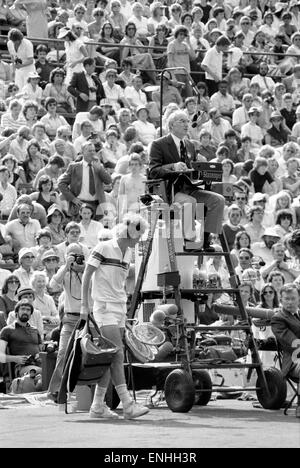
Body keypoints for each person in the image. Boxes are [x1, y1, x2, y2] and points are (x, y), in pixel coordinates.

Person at [81, 213, 150, 419]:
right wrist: (85, 305)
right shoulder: (103, 247)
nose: (140, 238)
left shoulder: (128, 254)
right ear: (130, 232)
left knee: (111, 358)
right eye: (139, 234)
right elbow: (87, 275)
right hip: (103, 307)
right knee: (117, 354)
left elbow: (120, 283)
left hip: (119, 308)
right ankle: (128, 404)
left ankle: (97, 406)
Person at [149, 110, 225, 250]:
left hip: (190, 188)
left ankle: (206, 241)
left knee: (218, 200)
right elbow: (153, 171)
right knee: (190, 202)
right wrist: (173, 166)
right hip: (170, 191)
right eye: (182, 121)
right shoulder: (158, 144)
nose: (186, 124)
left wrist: (205, 172)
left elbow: (192, 169)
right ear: (171, 125)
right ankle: (189, 241)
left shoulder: (190, 145)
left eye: (187, 121)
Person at [47, 242, 86, 402]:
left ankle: (85, 390)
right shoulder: (65, 273)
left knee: (87, 356)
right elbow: (52, 285)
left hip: (87, 319)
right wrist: (66, 266)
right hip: (69, 319)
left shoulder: (87, 271)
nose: (77, 258)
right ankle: (55, 391)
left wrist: (84, 266)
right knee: (63, 353)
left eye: (78, 254)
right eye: (73, 254)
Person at [58, 141, 112, 219]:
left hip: (97, 205)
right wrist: (72, 198)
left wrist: (100, 169)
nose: (92, 153)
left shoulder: (99, 166)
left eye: (93, 150)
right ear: (82, 152)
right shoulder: (74, 167)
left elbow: (108, 181)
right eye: (89, 151)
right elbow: (61, 183)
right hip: (80, 204)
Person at [271, 283, 300, 418]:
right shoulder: (279, 319)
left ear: (298, 298)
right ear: (281, 300)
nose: (289, 302)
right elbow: (294, 342)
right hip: (293, 360)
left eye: (293, 298)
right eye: (286, 299)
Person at [0, 299, 42, 377]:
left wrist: (40, 355)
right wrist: (15, 359)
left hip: (38, 364)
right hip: (22, 367)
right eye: (22, 309)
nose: (25, 312)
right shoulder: (7, 330)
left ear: (31, 314)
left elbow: (42, 351)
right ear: (16, 312)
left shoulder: (35, 330)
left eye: (28, 310)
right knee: (44, 372)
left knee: (53, 372)